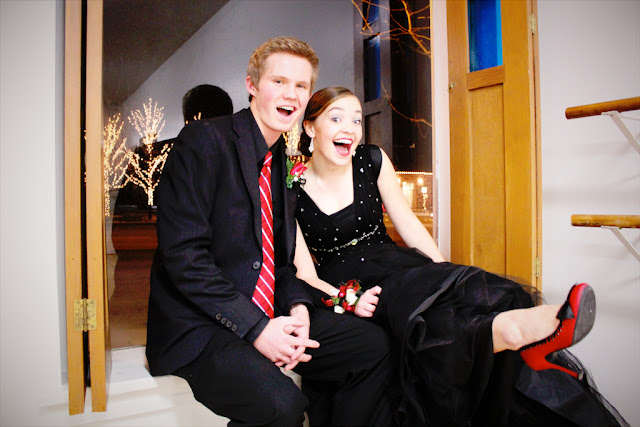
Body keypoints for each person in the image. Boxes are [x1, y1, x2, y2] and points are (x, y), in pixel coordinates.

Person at [292, 86, 629, 426]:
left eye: (356, 120)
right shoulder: (289, 189)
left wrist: (444, 271)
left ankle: (522, 330)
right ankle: (511, 332)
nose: (350, 129)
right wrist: (349, 301)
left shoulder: (372, 160)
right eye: (336, 119)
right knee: (424, 323)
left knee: (472, 296)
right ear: (310, 127)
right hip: (350, 286)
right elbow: (305, 273)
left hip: (395, 264)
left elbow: (408, 223)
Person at [145, 40, 394, 426]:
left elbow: (279, 262)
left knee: (370, 346)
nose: (291, 94)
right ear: (252, 85)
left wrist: (298, 307)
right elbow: (185, 259)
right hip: (202, 324)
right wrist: (257, 328)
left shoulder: (280, 159)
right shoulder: (203, 141)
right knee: (282, 406)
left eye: (301, 85)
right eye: (279, 81)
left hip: (267, 312)